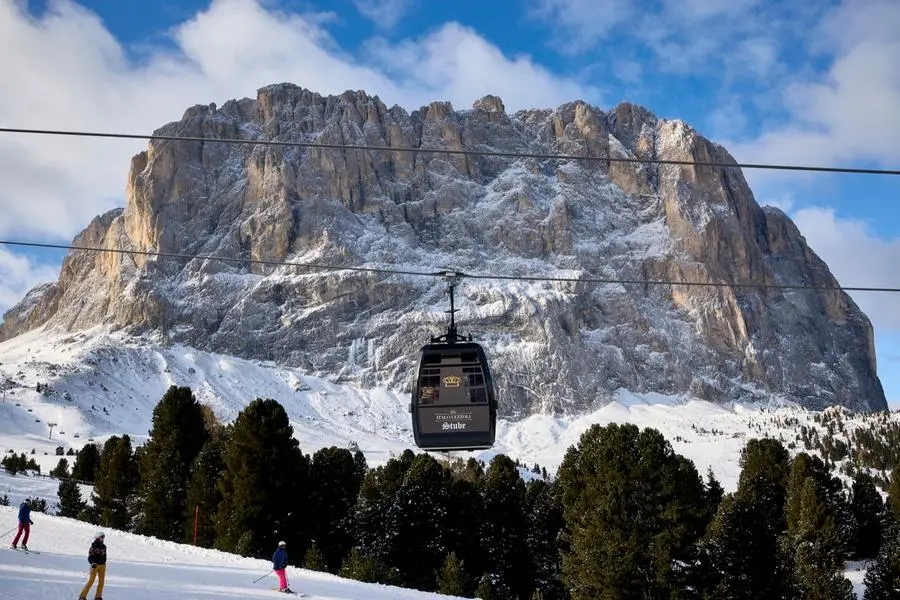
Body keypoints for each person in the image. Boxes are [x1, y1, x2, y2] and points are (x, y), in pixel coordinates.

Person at [78, 531, 107, 600]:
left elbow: (104, 555)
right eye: (101, 537)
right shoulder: (93, 546)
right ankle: (82, 596)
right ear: (97, 538)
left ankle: (98, 597)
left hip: (102, 565)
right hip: (95, 565)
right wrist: (92, 563)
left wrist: (104, 562)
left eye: (103, 537)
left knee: (101, 582)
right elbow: (90, 556)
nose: (103, 539)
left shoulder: (104, 546)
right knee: (91, 581)